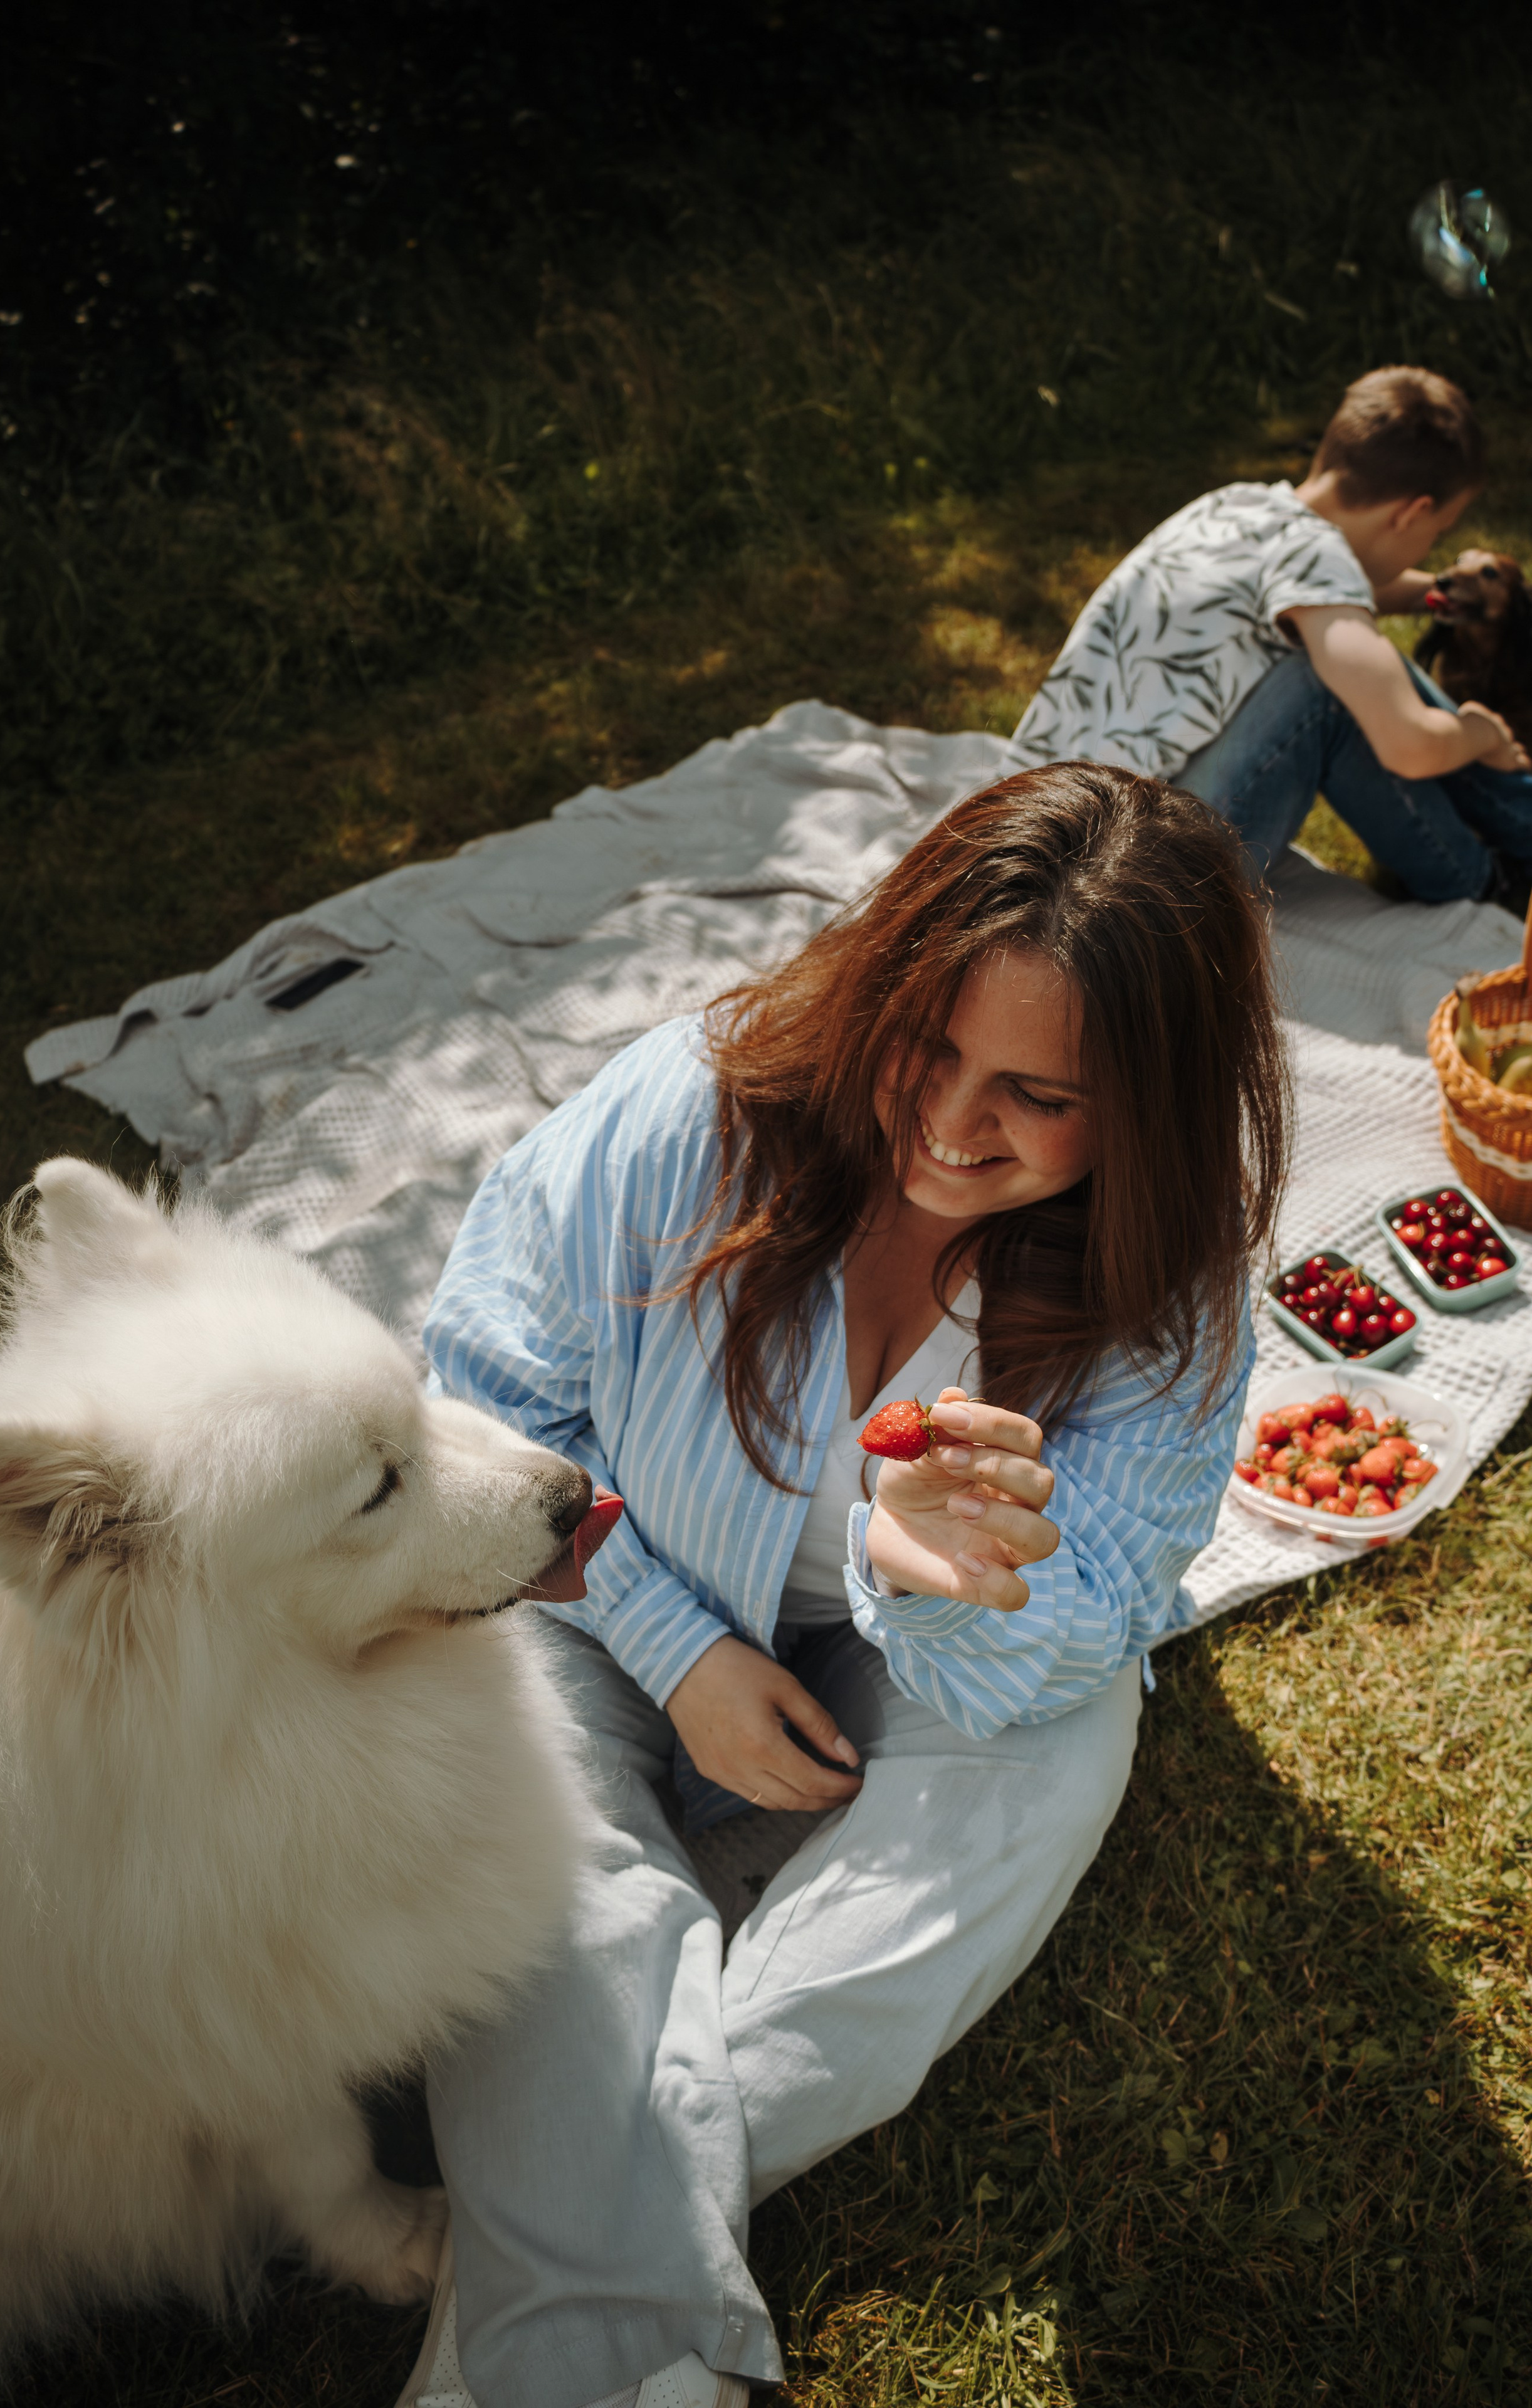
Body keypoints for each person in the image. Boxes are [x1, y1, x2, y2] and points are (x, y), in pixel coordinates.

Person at [401, 765, 1289, 2408]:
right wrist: (674, 1649)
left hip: (911, 1667)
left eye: (1041, 1094)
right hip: (600, 1588)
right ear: (877, 980)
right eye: (931, 1046)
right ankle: (608, 2309)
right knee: (549, 1827)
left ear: (1150, 1110)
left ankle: (537, 2265)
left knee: (1067, 1750)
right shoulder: (679, 1120)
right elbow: (487, 1416)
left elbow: (1078, 1629)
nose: (955, 1127)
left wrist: (937, 1578)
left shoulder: (1174, 1296)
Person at [1008, 365, 1532, 904]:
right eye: (1438, 534)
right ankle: (1490, 880)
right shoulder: (1319, 565)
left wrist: (1434, 595)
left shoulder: (1236, 507)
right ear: (1413, 512)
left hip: (1030, 845)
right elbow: (1410, 746)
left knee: (1341, 659)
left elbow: (1337, 588)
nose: (1431, 550)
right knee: (1327, 687)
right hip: (1122, 892)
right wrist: (1481, 733)